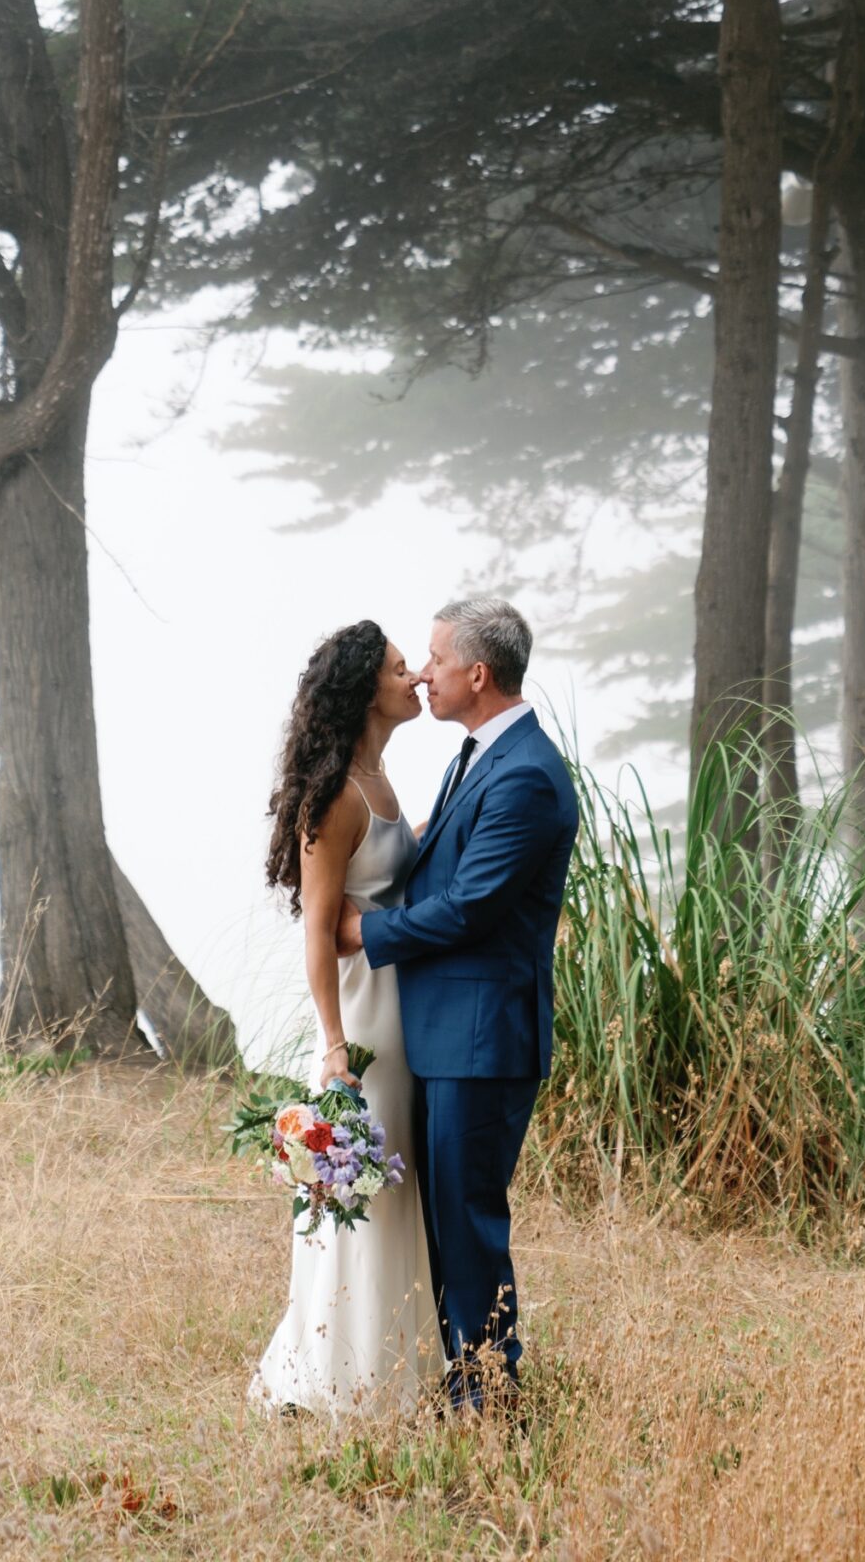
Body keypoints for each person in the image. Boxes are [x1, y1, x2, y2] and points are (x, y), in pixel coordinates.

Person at [338, 595, 578, 1410]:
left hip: (483, 1041)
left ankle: (488, 1398)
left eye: (436, 659)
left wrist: (362, 935)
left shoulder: (527, 778)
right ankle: (458, 1379)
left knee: (468, 1223)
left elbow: (472, 905)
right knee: (444, 1218)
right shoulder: (477, 755)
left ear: (478, 674)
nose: (424, 673)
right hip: (445, 1037)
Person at [250, 621, 444, 1416]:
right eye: (403, 669)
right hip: (364, 1021)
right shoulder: (335, 795)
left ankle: (403, 1365)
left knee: (402, 1193)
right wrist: (333, 1048)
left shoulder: (383, 779)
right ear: (368, 688)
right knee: (364, 1195)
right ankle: (342, 1379)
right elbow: (320, 933)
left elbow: (394, 872)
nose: (418, 678)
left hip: (406, 1006)